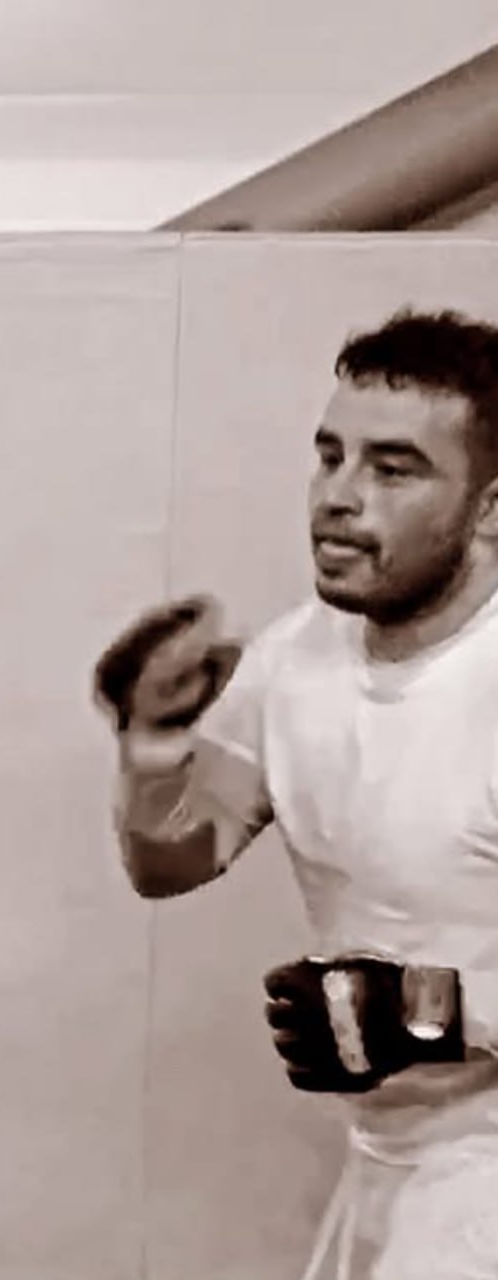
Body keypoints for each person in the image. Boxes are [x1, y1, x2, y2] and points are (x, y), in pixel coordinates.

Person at [94, 307, 498, 1279]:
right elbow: (174, 857)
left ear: (488, 505)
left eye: (392, 469)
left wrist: (442, 1006)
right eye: (329, 457)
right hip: (388, 1160)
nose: (338, 497)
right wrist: (151, 748)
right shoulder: (293, 658)